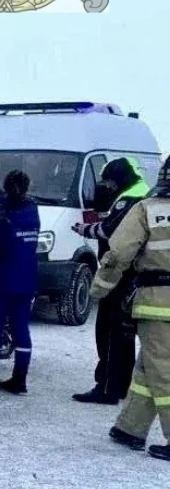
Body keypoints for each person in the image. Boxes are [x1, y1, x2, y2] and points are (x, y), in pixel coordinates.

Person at [91, 155, 170, 461]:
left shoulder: (147, 209)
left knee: (162, 368)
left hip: (158, 302)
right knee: (148, 366)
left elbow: (118, 253)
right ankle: (130, 427)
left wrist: (101, 287)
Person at [71, 157, 151, 405]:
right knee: (125, 333)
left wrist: (83, 229)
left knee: (109, 331)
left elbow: (110, 231)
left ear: (117, 179)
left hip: (120, 275)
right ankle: (121, 385)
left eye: (108, 181)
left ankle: (107, 387)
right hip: (137, 275)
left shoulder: (129, 199)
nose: (106, 186)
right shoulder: (144, 193)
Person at [0, 170, 41, 395]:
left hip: (5, 276)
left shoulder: (5, 211)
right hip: (27, 276)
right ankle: (20, 378)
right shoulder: (33, 209)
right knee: (21, 329)